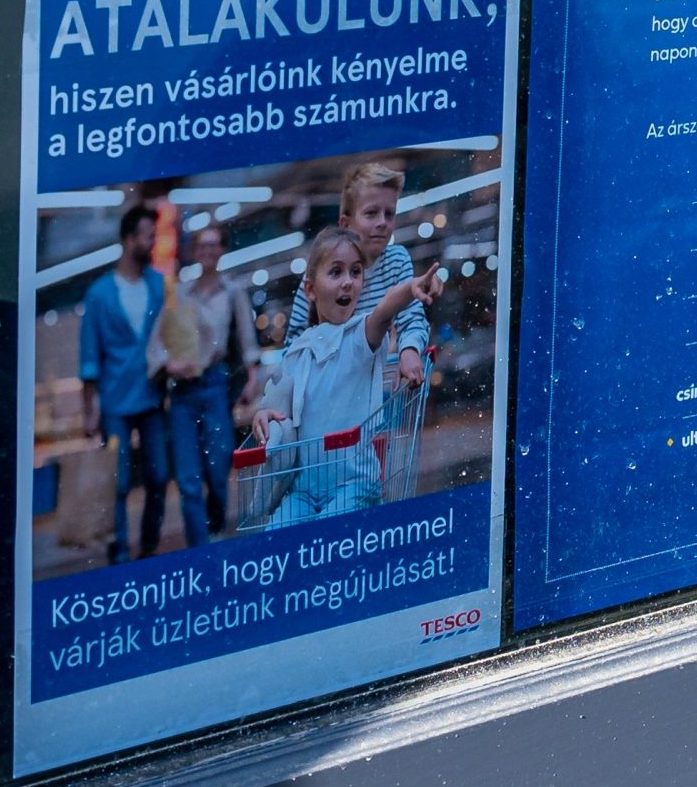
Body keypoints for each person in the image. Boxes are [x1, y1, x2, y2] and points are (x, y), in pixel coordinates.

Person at [257, 226, 433, 529]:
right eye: (336, 273)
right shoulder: (298, 351)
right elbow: (277, 405)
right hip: (303, 489)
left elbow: (384, 309)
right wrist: (263, 414)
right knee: (275, 542)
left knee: (326, 540)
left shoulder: (359, 337)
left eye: (356, 272)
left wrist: (410, 289)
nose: (348, 282)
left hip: (354, 484)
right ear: (310, 290)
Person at [76, 201, 179, 564]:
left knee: (158, 476)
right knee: (116, 483)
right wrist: (89, 412)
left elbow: (171, 334)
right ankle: (118, 551)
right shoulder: (99, 294)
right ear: (127, 239)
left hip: (152, 399)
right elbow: (89, 358)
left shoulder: (157, 285)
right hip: (115, 404)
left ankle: (148, 544)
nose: (152, 244)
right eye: (147, 237)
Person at [289, 159, 432, 392]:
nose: (382, 223)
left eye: (389, 214)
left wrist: (410, 350)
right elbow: (294, 341)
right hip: (330, 390)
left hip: (377, 388)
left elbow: (411, 317)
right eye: (371, 213)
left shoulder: (396, 260)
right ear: (345, 223)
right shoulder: (319, 272)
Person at [164, 220, 258, 543]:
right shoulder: (179, 294)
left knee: (218, 469)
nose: (207, 251)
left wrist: (252, 376)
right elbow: (164, 338)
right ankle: (198, 546)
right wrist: (167, 363)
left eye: (213, 245)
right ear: (194, 252)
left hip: (217, 384)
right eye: (201, 245)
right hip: (184, 389)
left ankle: (215, 527)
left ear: (221, 250)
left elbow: (247, 338)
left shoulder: (233, 292)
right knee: (189, 478)